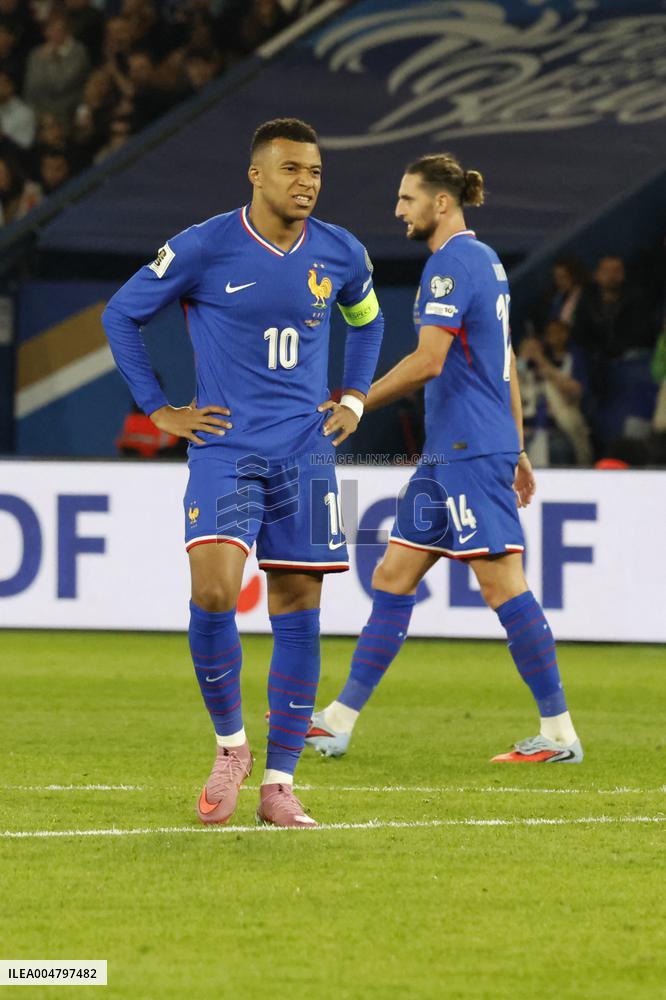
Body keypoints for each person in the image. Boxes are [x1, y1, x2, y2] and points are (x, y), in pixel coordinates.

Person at [102, 117, 384, 826]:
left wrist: (353, 397)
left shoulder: (342, 252)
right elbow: (121, 314)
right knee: (217, 592)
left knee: (299, 609)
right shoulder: (205, 245)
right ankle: (232, 747)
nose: (307, 184)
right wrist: (160, 409)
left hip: (307, 455)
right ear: (256, 174)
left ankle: (279, 785)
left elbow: (369, 320)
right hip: (228, 452)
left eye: (316, 172)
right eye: (292, 170)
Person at [306, 153, 583, 765]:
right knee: (393, 576)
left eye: (407, 198)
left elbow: (429, 360)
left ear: (440, 203)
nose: (398, 209)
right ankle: (338, 720)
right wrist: (515, 447)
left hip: (466, 450)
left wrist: (354, 399)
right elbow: (503, 359)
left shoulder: (450, 265)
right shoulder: (485, 262)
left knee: (501, 585)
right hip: (453, 452)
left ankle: (560, 732)